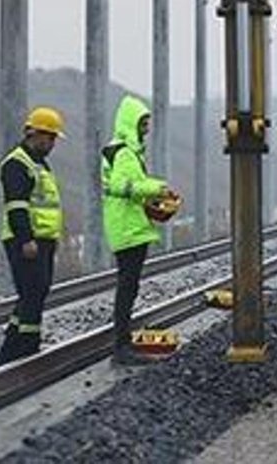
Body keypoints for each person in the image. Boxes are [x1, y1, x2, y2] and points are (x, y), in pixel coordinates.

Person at [101, 94, 176, 364]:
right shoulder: (124, 153)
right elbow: (122, 186)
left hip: (129, 225)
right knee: (127, 285)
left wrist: (153, 192)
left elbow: (129, 187)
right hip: (127, 228)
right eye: (143, 124)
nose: (146, 129)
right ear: (130, 123)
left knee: (129, 285)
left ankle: (123, 341)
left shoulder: (126, 152)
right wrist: (158, 188)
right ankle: (121, 346)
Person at [0, 106, 66, 366]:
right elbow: (16, 205)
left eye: (54, 138)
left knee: (34, 292)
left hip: (43, 239)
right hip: (25, 240)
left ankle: (10, 352)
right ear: (34, 134)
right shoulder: (17, 164)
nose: (52, 143)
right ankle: (28, 349)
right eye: (49, 137)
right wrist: (25, 238)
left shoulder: (39, 163)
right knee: (33, 293)